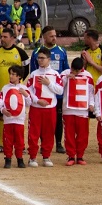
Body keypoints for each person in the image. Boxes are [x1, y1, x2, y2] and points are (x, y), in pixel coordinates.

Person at [0, 28, 29, 153]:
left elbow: (25, 69)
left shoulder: (21, 52)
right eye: (1, 36)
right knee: (2, 117)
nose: (2, 39)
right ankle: (3, 143)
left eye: (5, 37)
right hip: (2, 90)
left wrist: (18, 82)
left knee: (18, 119)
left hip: (17, 93)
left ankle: (20, 145)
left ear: (12, 38)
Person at [31, 26, 69, 154]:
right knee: (41, 121)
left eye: (55, 35)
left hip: (56, 92)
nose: (54, 38)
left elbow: (65, 71)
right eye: (51, 36)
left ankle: (58, 143)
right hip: (41, 91)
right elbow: (33, 71)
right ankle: (43, 145)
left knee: (57, 119)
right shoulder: (36, 52)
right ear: (44, 37)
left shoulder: (62, 51)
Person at [27, 47, 64, 167]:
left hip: (50, 109)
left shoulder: (55, 74)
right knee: (33, 133)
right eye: (39, 58)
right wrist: (37, 101)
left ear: (49, 59)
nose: (40, 60)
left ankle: (46, 156)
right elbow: (28, 91)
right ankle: (32, 157)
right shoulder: (33, 74)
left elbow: (60, 90)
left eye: (42, 58)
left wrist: (49, 84)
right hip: (36, 109)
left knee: (48, 133)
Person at [61, 57, 95, 166]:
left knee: (83, 134)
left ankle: (80, 156)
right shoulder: (65, 73)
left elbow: (91, 92)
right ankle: (71, 155)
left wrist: (91, 104)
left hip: (83, 110)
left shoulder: (88, 76)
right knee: (69, 134)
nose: (75, 72)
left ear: (82, 69)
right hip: (68, 110)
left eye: (77, 70)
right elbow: (59, 88)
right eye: (73, 70)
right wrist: (66, 78)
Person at [0, 65, 30, 169]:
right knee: (8, 140)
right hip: (8, 119)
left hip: (19, 120)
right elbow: (1, 102)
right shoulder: (5, 87)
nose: (11, 76)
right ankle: (8, 158)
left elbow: (29, 103)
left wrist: (25, 94)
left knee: (19, 140)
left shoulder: (24, 88)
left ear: (19, 76)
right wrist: (2, 110)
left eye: (13, 74)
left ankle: (20, 159)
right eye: (10, 74)